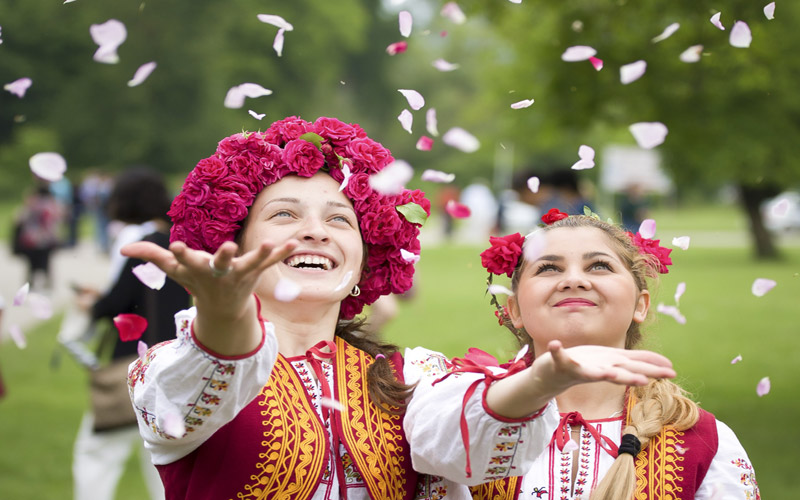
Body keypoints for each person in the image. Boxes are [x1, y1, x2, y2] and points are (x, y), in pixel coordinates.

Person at [121, 116, 675, 500]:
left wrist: (537, 382)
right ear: (234, 244)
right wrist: (223, 316)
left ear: (366, 259)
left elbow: (471, 449)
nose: (315, 231)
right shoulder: (168, 369)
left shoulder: (409, 378)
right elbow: (193, 395)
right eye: (286, 215)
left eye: (340, 220)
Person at [457, 208, 760, 499]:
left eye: (599, 266)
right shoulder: (462, 420)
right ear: (515, 310)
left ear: (640, 305)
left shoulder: (703, 441)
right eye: (548, 268)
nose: (574, 280)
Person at [72, 168, 191, 500]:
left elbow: (119, 300)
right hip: (176, 359)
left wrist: (92, 305)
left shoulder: (138, 239)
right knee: (164, 461)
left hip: (136, 363)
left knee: (98, 454)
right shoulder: (177, 240)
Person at [13, 182, 64, 292]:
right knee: (46, 262)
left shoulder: (32, 204)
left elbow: (18, 219)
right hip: (48, 239)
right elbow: (59, 219)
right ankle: (47, 283)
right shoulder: (53, 205)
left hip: (32, 239)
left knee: (31, 264)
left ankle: (29, 283)